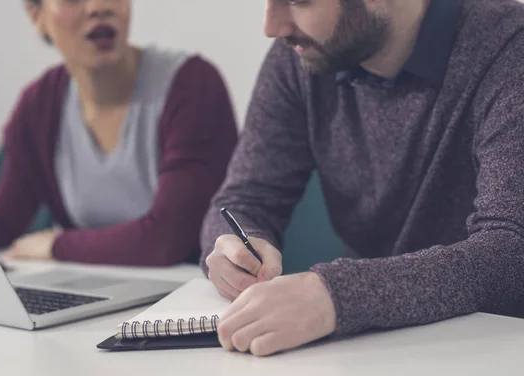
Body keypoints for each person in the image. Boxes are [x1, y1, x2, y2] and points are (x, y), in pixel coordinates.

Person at [201, 0, 524, 357]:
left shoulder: (511, 47)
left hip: (495, 354)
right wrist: (234, 248)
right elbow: (244, 200)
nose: (272, 26)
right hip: (367, 351)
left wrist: (338, 296)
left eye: (298, 1)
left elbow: (512, 253)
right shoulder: (300, 55)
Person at [0, 0, 238, 266]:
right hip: (91, 284)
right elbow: (4, 221)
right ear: (37, 15)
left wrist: (56, 244)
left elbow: (168, 240)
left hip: (184, 292)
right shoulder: (39, 104)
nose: (98, 7)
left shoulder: (193, 84)